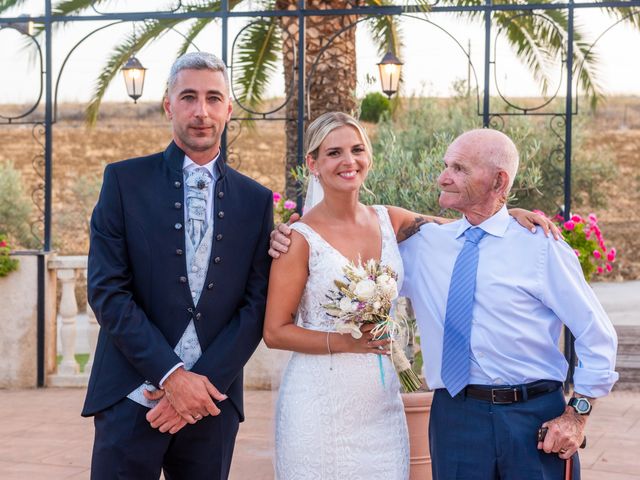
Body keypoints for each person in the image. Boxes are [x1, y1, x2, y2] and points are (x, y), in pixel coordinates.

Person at [263, 112, 555, 479]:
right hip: (318, 400)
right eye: (334, 153)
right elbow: (275, 331)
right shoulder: (298, 239)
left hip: (379, 402)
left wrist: (508, 212)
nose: (349, 161)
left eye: (357, 150)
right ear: (313, 163)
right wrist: (344, 341)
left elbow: (465, 226)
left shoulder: (391, 220)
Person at [83, 52, 273, 479]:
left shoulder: (256, 200)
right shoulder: (122, 182)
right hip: (129, 395)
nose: (201, 111)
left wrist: (200, 384)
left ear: (229, 108)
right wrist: (171, 376)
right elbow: (107, 291)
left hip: (212, 401)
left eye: (213, 98)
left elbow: (255, 304)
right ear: (169, 105)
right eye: (188, 97)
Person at [398, 129, 618, 479]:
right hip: (454, 419)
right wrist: (301, 233)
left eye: (459, 168)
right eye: (445, 166)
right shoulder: (423, 246)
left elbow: (597, 334)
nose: (443, 178)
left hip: (535, 420)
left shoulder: (541, 246)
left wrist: (577, 415)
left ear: (499, 181)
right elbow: (359, 232)